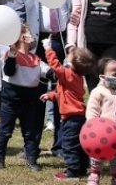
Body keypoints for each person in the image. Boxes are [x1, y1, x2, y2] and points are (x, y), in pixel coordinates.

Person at [13, 0, 83, 154]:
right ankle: (31, 146)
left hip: (64, 41)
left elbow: (79, 9)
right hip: (38, 43)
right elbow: (18, 12)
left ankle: (62, 146)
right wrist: (25, 35)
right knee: (36, 96)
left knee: (65, 94)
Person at [0, 25, 43, 172]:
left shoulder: (36, 58)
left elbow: (47, 72)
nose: (32, 35)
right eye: (29, 32)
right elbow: (9, 71)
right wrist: (13, 56)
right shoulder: (11, 55)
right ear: (21, 37)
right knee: (5, 131)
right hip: (11, 101)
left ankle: (32, 160)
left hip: (29, 102)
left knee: (30, 133)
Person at [42, 47, 94, 180]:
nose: (67, 55)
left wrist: (48, 49)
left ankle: (72, 172)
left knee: (69, 144)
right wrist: (51, 96)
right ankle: (82, 168)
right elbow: (65, 95)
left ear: (73, 62)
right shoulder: (77, 76)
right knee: (79, 144)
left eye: (70, 55)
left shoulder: (69, 74)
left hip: (71, 118)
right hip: (79, 116)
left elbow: (55, 66)